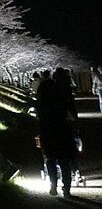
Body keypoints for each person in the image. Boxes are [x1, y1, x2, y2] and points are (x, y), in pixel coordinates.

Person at [36, 68, 79, 198]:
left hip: (47, 129)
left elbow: (38, 112)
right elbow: (72, 114)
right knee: (64, 160)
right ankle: (66, 189)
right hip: (63, 129)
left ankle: (53, 185)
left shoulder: (42, 95)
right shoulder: (63, 94)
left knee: (50, 158)